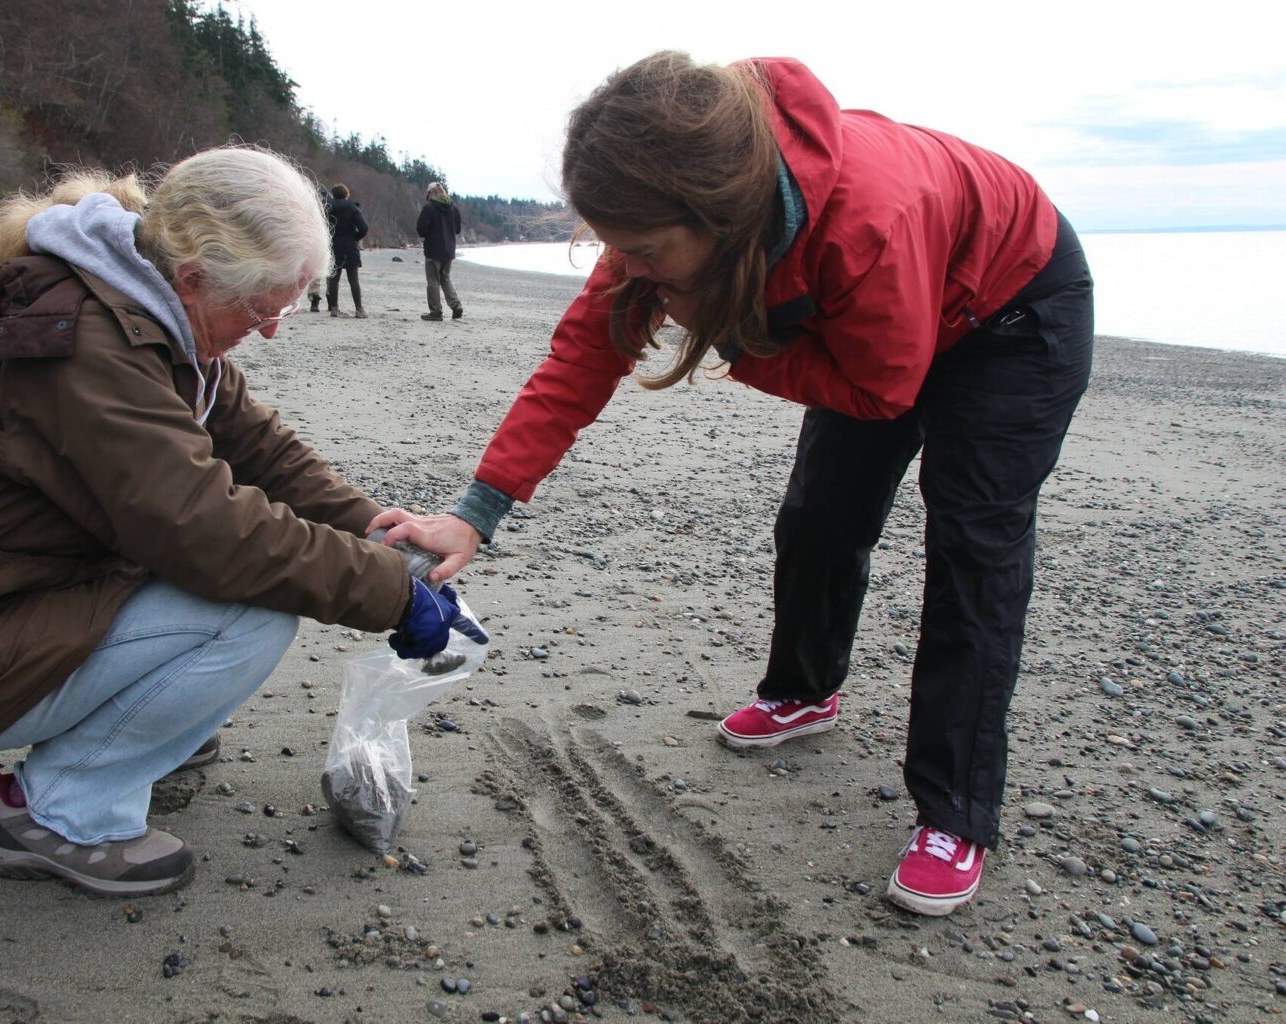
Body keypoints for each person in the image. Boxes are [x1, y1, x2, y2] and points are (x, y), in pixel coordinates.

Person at [371, 52, 1094, 918]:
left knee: (974, 545)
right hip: (868, 311)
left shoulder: (869, 222)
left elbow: (882, 389)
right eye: (611, 245)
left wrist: (728, 338)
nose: (624, 266)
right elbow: (580, 357)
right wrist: (475, 514)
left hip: (1009, 310)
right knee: (819, 516)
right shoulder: (661, 209)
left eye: (640, 252)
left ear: (720, 220)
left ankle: (957, 812)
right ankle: (802, 691)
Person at [0, 147, 485, 898]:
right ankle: (58, 814)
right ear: (195, 278)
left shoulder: (150, 310)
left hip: (18, 602)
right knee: (249, 614)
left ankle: (121, 735)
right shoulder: (86, 342)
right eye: (264, 309)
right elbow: (205, 528)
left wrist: (378, 532)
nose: (273, 329)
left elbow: (260, 450)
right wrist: (389, 593)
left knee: (238, 586)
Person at [417, 181, 463, 321]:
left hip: (433, 249)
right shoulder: (453, 208)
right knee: (445, 278)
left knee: (433, 281)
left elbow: (421, 230)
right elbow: (457, 230)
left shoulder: (429, 208)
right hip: (448, 250)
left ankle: (436, 311)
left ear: (431, 193)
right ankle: (456, 306)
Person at [325, 182, 369, 318]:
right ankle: (359, 309)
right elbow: (364, 228)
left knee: (334, 279)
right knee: (353, 279)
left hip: (333, 244)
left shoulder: (327, 208)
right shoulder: (352, 208)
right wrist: (355, 237)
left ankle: (334, 308)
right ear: (346, 194)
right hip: (350, 245)